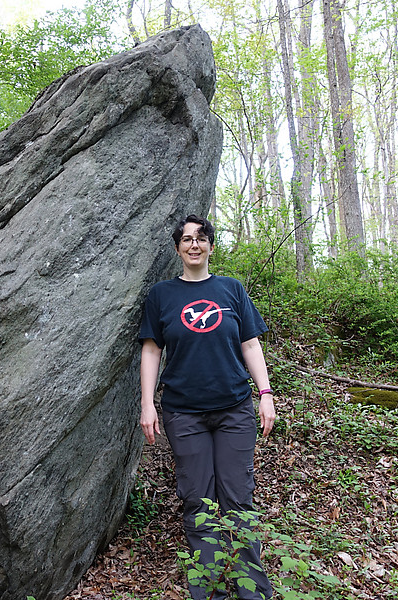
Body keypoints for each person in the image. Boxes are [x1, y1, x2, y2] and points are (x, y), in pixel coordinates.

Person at [138, 214, 275, 600]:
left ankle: (253, 593)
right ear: (178, 248)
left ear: (211, 246)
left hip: (234, 409)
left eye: (200, 237)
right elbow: (151, 349)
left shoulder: (231, 290)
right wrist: (147, 404)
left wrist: (265, 394)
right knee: (198, 501)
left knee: (238, 499)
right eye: (186, 239)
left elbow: (250, 344)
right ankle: (210, 592)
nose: (193, 244)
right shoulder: (162, 295)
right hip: (184, 413)